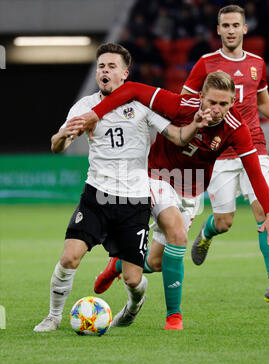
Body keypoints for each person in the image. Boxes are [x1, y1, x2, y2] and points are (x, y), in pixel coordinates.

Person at [67, 71, 269, 330]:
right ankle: (174, 316)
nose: (216, 110)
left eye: (224, 104)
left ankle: (118, 264)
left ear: (232, 103)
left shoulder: (235, 126)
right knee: (178, 234)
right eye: (211, 102)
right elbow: (134, 90)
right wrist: (96, 113)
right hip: (156, 177)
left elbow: (252, 168)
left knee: (158, 262)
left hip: (191, 189)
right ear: (201, 97)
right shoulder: (181, 105)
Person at [33, 43, 205, 333]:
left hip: (134, 200)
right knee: (69, 256)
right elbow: (56, 146)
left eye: (112, 67)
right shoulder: (84, 107)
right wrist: (64, 135)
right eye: (101, 66)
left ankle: (135, 304)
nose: (105, 71)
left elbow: (176, 136)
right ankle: (53, 316)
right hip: (96, 195)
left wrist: (197, 124)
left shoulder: (140, 107)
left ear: (125, 74)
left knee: (132, 279)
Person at [181, 5, 269, 306]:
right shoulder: (205, 64)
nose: (230, 30)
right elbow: (185, 102)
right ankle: (206, 233)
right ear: (218, 30)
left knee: (265, 213)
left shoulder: (257, 62)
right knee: (224, 221)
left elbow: (263, 101)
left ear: (245, 29)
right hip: (220, 153)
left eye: (235, 25)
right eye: (225, 25)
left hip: (254, 147)